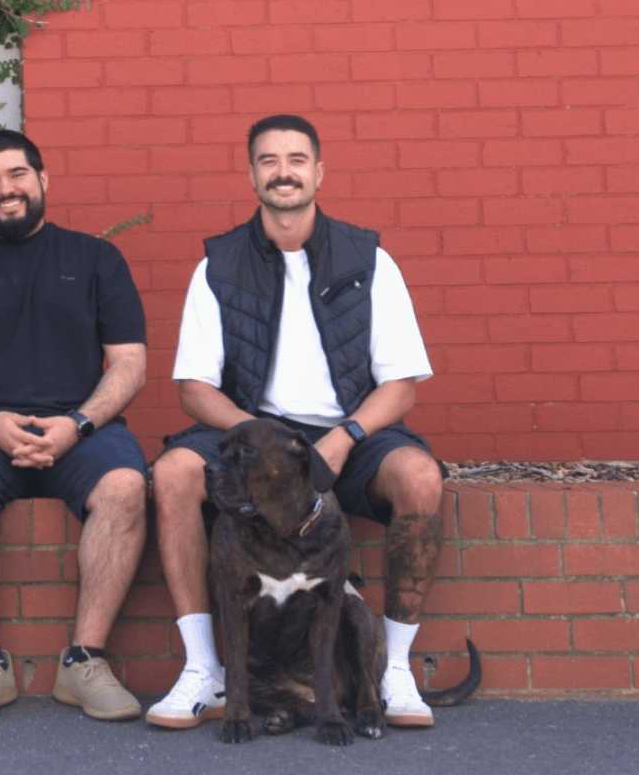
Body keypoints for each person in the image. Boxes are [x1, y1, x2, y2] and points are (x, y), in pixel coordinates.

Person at [146, 114, 443, 731]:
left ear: (319, 172)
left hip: (348, 428)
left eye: (296, 160)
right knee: (174, 474)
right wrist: (262, 441)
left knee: (419, 478)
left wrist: (345, 436)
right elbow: (194, 389)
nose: (283, 172)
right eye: (269, 160)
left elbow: (401, 386)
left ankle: (393, 667)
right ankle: (203, 669)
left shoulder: (369, 259)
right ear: (252, 174)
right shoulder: (219, 264)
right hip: (251, 430)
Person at [0, 129, 150, 727]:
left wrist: (77, 424)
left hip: (79, 426)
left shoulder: (96, 261)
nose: (5, 189)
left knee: (125, 487)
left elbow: (129, 362)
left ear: (43, 179)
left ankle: (84, 662)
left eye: (16, 174)